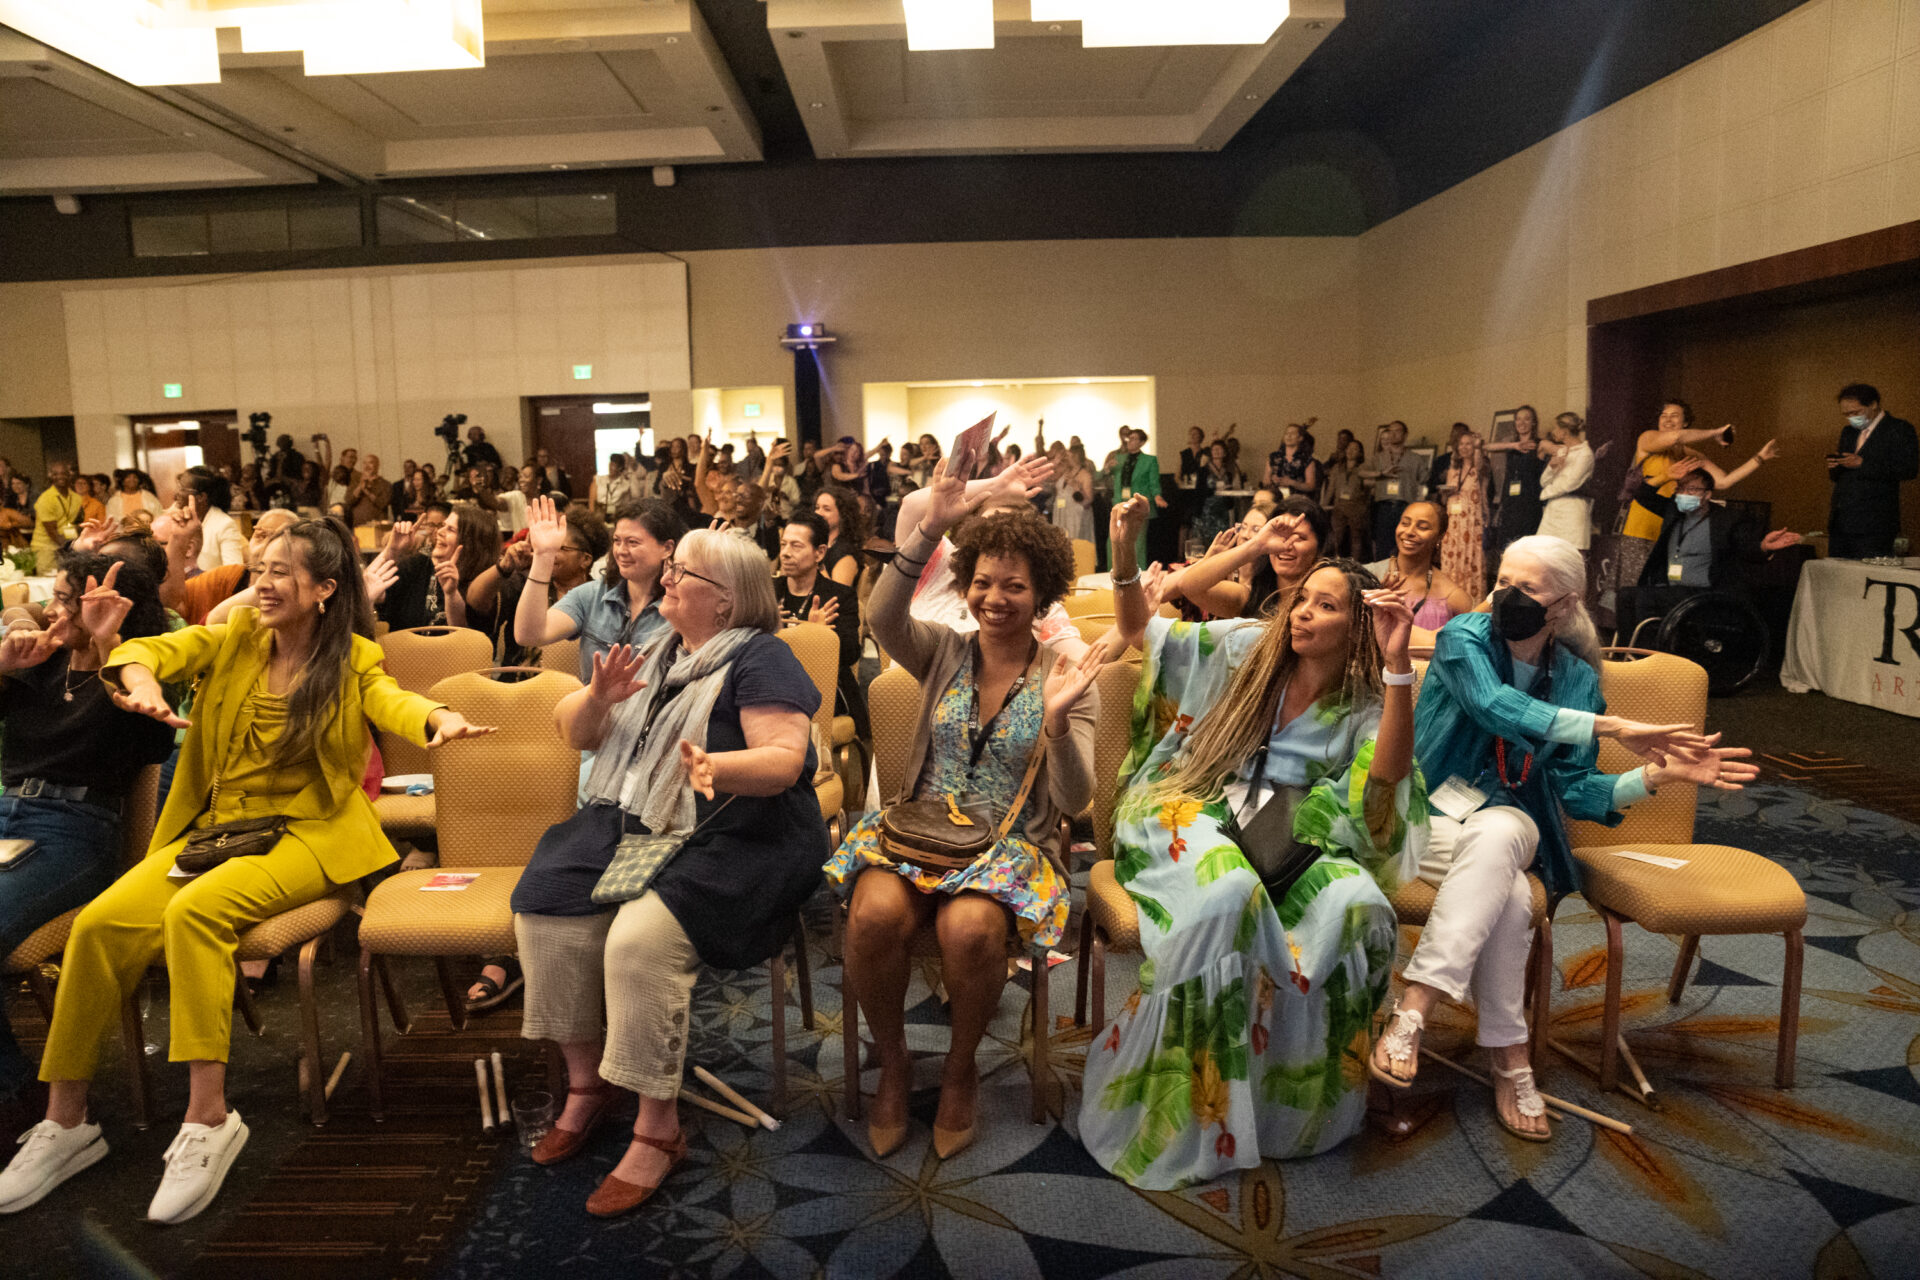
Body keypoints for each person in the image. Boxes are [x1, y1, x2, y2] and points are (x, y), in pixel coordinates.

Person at [0, 518, 491, 1222]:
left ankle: (208, 1119)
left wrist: (437, 719)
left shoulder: (352, 656)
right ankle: (66, 1120)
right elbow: (150, 649)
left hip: (309, 833)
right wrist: (139, 680)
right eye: (259, 570)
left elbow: (392, 700)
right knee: (99, 925)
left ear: (324, 589)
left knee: (196, 913)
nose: (262, 584)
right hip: (221, 830)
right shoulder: (234, 637)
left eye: (280, 573)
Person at [1370, 535, 1758, 1141]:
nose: (1506, 596)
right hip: (1424, 816)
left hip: (1509, 822)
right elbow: (1495, 706)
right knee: (1510, 894)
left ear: (1564, 604)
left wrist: (1656, 777)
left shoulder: (1577, 679)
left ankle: (1415, 1007)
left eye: (1526, 588)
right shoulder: (1464, 638)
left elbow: (1577, 789)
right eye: (1503, 581)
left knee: (1502, 830)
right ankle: (1510, 1056)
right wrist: (1614, 726)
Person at [1080, 554, 1423, 1187]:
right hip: (1190, 799)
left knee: (1360, 905)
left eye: (1326, 605)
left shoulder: (1363, 703)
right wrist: (1123, 553)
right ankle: (1181, 1110)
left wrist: (1398, 663)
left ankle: (1281, 1111)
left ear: (1357, 626)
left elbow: (1385, 784)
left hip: (1289, 833)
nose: (1303, 613)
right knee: (1229, 889)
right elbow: (1138, 627)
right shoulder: (1246, 649)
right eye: (1303, 598)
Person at [509, 530, 825, 1217]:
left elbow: (784, 760)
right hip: (641, 820)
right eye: (673, 566)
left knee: (637, 943)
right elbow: (575, 732)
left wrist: (716, 767)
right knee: (546, 907)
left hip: (741, 834)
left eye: (685, 571)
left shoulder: (760, 656)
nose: (669, 577)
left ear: (727, 600)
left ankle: (658, 1127)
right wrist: (598, 698)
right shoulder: (657, 647)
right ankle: (589, 1085)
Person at [826, 463, 1101, 1161]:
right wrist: (928, 529)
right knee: (871, 917)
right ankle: (894, 1063)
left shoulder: (1065, 674)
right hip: (919, 831)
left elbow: (1076, 802)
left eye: (1014, 586)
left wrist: (1058, 723)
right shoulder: (943, 649)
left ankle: (958, 1069)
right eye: (982, 582)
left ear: (1041, 593)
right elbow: (882, 616)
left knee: (970, 929)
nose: (994, 598)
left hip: (1012, 844)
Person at [0, 552, 175, 1110]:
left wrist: (107, 645)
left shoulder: (137, 670)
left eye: (62, 600)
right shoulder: (41, 663)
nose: (49, 610)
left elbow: (152, 742)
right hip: (6, 814)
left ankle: (19, 1093)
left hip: (75, 831)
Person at [1614, 463, 1802, 644]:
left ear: (1707, 495)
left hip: (1707, 593)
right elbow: (1642, 494)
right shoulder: (1674, 511)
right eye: (1680, 489)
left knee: (1646, 599)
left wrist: (1764, 546)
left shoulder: (1727, 519)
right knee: (1625, 595)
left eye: (1692, 490)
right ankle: (1626, 652)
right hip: (1672, 588)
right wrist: (1666, 476)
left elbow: (1747, 548)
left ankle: (1648, 654)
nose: (1684, 494)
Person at [512, 496, 684, 686]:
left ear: (667, 548)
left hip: (654, 706)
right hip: (594, 703)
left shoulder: (682, 603)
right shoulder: (592, 595)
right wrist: (543, 556)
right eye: (617, 541)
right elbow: (528, 635)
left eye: (633, 542)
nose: (621, 551)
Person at [1622, 400, 1774, 542]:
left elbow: (1723, 482)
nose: (1667, 420)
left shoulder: (1691, 455)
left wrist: (1759, 458)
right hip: (1640, 530)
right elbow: (1675, 437)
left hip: (1671, 528)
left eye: (1674, 416)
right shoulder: (1647, 438)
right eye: (1663, 416)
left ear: (1685, 423)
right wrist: (1715, 433)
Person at [775, 511, 864, 736]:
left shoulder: (838, 596)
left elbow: (851, 653)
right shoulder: (769, 592)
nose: (785, 553)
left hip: (824, 694)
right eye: (783, 544)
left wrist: (819, 637)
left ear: (820, 552)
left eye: (796, 546)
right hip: (774, 686)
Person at [1172, 497, 1329, 619]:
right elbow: (1188, 585)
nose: (1286, 546)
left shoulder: (1324, 605)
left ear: (1320, 548)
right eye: (1280, 536)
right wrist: (1256, 545)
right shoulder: (1250, 598)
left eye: (1298, 537)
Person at [1826, 382, 1917, 558]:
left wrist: (1863, 464)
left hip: (1875, 523)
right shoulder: (1849, 432)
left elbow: (1908, 469)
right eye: (1846, 414)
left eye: (1856, 412)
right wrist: (1836, 465)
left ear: (1873, 404)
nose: (1851, 418)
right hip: (1842, 519)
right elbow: (1840, 477)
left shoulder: (1898, 429)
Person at [1366, 500, 1475, 642]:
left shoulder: (1451, 595)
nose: (1409, 532)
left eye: (1422, 527)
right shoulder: (1370, 575)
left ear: (1440, 536)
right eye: (1405, 523)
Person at [1485, 406, 1546, 565]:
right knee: (1506, 550)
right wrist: (1515, 445)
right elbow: (1486, 447)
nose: (1522, 422)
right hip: (1510, 505)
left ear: (1533, 422)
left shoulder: (1539, 444)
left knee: (1527, 551)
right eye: (1518, 419)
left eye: (1526, 419)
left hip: (1529, 505)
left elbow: (1557, 448)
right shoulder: (1512, 446)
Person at [1436, 430, 1490, 600]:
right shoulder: (1452, 471)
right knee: (1451, 557)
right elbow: (1444, 500)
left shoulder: (1479, 468)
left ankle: (1471, 600)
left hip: (1471, 521)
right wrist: (1445, 493)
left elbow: (1479, 465)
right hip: (1453, 520)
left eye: (1468, 444)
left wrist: (1478, 446)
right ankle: (1450, 598)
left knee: (1471, 556)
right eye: (1461, 444)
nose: (1464, 447)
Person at [1536, 413, 1596, 549]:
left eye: (1555, 428)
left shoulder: (1585, 453)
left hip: (1572, 511)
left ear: (1564, 432)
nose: (1553, 431)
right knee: (1546, 552)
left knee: (1571, 553)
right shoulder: (1561, 451)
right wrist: (1552, 467)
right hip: (1553, 510)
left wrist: (1544, 494)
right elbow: (1543, 481)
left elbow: (1569, 484)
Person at [172, 467, 246, 573]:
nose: (176, 493)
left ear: (201, 497)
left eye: (182, 489)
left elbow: (234, 572)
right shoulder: (178, 517)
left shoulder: (224, 525)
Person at [1112, 428, 1163, 568]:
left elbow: (1154, 482)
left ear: (1141, 442)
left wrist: (1157, 496)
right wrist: (1107, 468)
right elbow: (1101, 475)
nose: (1130, 441)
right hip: (1120, 503)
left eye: (1134, 438)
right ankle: (1115, 570)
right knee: (1115, 539)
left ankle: (1137, 572)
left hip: (1137, 505)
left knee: (1137, 541)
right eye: (1129, 438)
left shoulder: (1149, 460)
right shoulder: (1119, 459)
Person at [1322, 438, 1372, 560]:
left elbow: (1369, 490)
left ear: (1360, 453)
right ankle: (1332, 562)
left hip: (1357, 508)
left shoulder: (1364, 469)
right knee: (1336, 538)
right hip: (1339, 507)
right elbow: (1331, 489)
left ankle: (1355, 564)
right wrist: (1323, 505)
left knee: (1356, 538)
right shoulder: (1337, 468)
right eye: (1349, 448)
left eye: (1355, 449)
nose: (1350, 451)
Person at [31, 463, 84, 575]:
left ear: (69, 475)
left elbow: (72, 524)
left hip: (65, 543)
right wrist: (70, 549)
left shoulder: (77, 498)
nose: (60, 477)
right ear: (51, 476)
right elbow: (52, 532)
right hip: (46, 548)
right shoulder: (46, 499)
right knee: (48, 581)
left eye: (63, 473)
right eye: (55, 474)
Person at [1191, 440, 1244, 547]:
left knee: (1222, 539)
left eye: (1219, 449)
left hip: (1222, 510)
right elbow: (1199, 491)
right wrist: (1214, 489)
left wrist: (1228, 489)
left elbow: (1235, 487)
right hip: (1206, 510)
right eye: (1214, 449)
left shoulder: (1229, 470)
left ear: (1224, 453)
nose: (1216, 452)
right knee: (1205, 541)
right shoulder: (1203, 470)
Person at [813, 486, 868, 589]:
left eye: (827, 509)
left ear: (842, 515)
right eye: (817, 508)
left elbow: (837, 595)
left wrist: (817, 563)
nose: (819, 513)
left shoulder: (845, 553)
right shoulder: (816, 542)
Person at [1050, 442, 1096, 546]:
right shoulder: (1064, 470)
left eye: (1068, 456)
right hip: (1061, 512)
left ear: (1075, 457)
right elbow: (1050, 477)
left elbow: (1088, 501)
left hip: (1075, 515)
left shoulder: (1085, 475)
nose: (1066, 458)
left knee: (1075, 543)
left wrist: (1076, 488)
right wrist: (1055, 462)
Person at [1264, 421, 1322, 504]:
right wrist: (1272, 480)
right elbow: (1265, 481)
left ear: (1300, 438)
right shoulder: (1273, 457)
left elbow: (1311, 486)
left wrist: (1292, 483)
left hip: (1298, 502)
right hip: (1276, 500)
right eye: (1287, 433)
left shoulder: (1307, 460)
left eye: (1293, 433)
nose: (1289, 436)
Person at [346, 454, 391, 527]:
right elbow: (348, 501)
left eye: (370, 463)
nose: (367, 466)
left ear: (377, 465)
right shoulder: (354, 483)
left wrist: (366, 491)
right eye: (364, 463)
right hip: (358, 526)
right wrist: (360, 486)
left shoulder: (385, 484)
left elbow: (382, 504)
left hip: (377, 527)